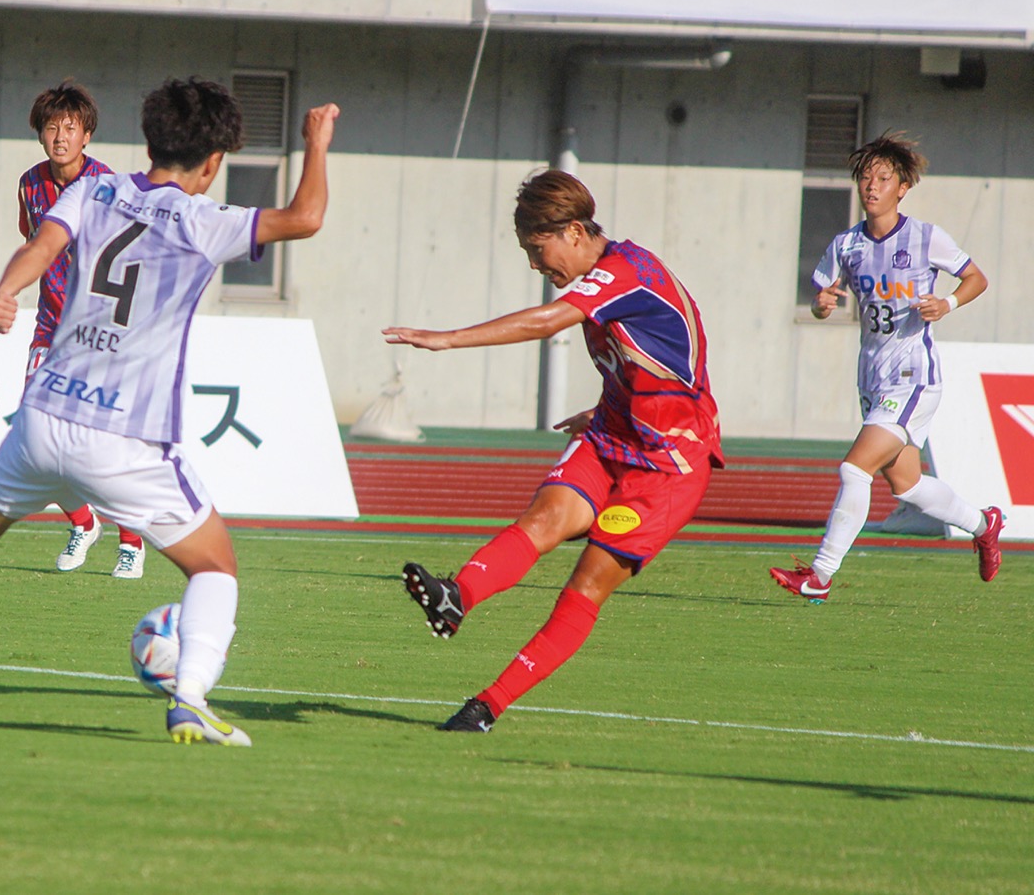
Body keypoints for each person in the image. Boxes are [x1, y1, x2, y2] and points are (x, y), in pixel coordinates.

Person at [0, 78, 340, 746]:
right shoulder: (204, 222)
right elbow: (305, 218)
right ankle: (189, 696)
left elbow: (41, 249)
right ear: (214, 161)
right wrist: (316, 145)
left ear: (149, 138)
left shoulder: (93, 189)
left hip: (46, 415)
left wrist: (5, 291)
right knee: (215, 567)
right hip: (126, 436)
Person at [383, 169, 723, 732]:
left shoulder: (625, 273)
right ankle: (456, 595)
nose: (536, 266)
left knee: (586, 584)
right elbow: (660, 362)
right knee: (544, 519)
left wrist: (446, 339)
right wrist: (607, 409)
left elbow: (546, 323)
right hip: (613, 436)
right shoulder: (607, 276)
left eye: (537, 250)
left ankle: (487, 705)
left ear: (571, 231)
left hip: (670, 466)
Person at [770, 132, 1002, 602]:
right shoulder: (846, 245)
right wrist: (821, 304)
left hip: (914, 375)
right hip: (872, 377)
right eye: (865, 178)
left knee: (855, 470)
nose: (871, 186)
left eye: (883, 178)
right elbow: (821, 303)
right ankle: (984, 523)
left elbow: (977, 277)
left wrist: (949, 302)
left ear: (902, 188)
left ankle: (818, 577)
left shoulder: (924, 237)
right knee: (906, 484)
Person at [19, 80, 144, 579]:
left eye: (70, 128)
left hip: (99, 330)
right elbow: (32, 240)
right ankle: (82, 521)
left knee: (102, 442)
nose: (60, 137)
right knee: (32, 436)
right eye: (52, 127)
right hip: (50, 326)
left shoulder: (107, 185)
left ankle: (131, 540)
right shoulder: (29, 183)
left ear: (87, 135)